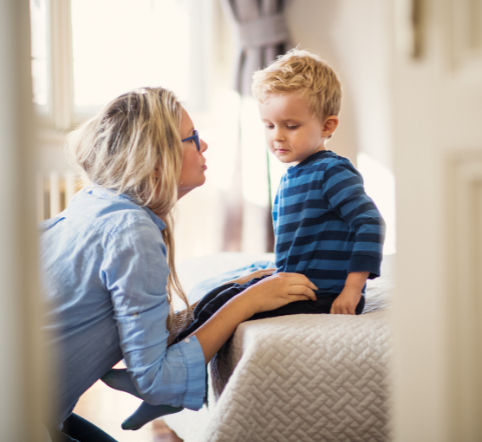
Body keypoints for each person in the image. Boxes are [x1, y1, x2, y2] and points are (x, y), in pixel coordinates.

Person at [109, 48, 386, 430]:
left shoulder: (332, 172)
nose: (277, 137)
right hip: (299, 279)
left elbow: (370, 223)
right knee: (217, 295)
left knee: (229, 310)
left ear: (327, 126)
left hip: (321, 292)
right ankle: (160, 376)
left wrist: (352, 289)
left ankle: (165, 391)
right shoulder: (296, 173)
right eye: (269, 125)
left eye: (291, 125)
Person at [40, 87, 318, 442]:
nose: (204, 147)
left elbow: (141, 329)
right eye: (193, 138)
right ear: (156, 158)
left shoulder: (93, 202)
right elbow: (155, 378)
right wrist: (250, 301)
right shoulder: (132, 231)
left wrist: (232, 291)